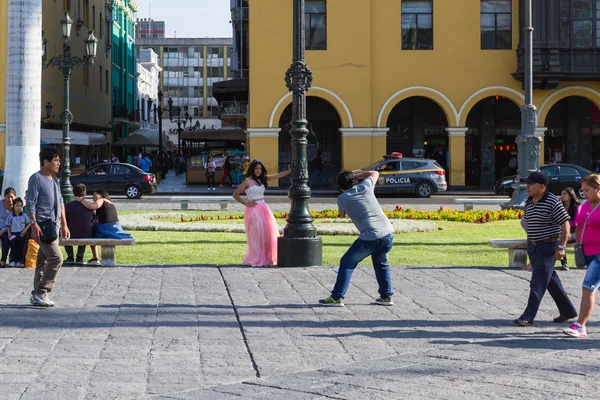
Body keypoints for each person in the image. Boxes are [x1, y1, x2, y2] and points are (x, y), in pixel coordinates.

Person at [319, 169, 395, 307]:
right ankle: (386, 296)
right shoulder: (365, 186)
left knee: (347, 262)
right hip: (387, 233)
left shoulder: (342, 198)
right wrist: (357, 175)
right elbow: (375, 173)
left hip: (370, 237)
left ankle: (337, 297)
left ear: (340, 186)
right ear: (354, 180)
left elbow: (342, 215)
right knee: (381, 264)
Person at [514, 172, 577, 326]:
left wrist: (561, 247)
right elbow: (529, 225)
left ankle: (528, 317)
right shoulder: (529, 201)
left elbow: (565, 224)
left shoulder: (552, 201)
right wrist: (529, 246)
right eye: (526, 183)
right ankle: (567, 310)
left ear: (542, 186)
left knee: (538, 281)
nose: (527, 186)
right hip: (534, 246)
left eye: (531, 183)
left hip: (549, 245)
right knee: (550, 280)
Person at [27, 147, 71, 307]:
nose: (59, 163)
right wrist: (34, 224)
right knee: (56, 258)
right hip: (43, 226)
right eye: (56, 160)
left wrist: (64, 225)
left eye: (59, 160)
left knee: (43, 261)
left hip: (54, 227)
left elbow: (61, 203)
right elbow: (30, 204)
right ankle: (42, 291)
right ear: (46, 162)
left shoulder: (55, 180)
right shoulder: (36, 179)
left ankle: (36, 295)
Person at [232, 160, 291, 267]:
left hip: (263, 208)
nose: (258, 171)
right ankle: (255, 257)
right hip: (253, 209)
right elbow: (235, 194)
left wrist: (291, 170)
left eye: (260, 169)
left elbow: (278, 175)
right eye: (256, 168)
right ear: (252, 169)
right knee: (256, 234)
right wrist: (246, 203)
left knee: (267, 232)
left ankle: (267, 258)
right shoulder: (247, 181)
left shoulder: (262, 179)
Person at [563, 174, 600, 338]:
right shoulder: (586, 204)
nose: (584, 193)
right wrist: (579, 244)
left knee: (588, 287)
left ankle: (580, 325)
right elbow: (578, 224)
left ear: (598, 188)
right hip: (587, 252)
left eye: (587, 190)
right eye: (582, 190)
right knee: (589, 287)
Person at [65, 184, 99, 265]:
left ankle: (70, 257)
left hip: (71, 234)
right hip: (86, 234)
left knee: (65, 233)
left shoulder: (68, 206)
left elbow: (64, 220)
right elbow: (94, 218)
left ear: (73, 193)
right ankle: (79, 257)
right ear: (84, 193)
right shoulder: (89, 206)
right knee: (85, 230)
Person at [559, 187, 581, 271]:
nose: (562, 196)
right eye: (561, 194)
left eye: (564, 194)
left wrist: (564, 225)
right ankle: (563, 262)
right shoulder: (560, 206)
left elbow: (576, 223)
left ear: (570, 196)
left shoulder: (576, 206)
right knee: (558, 237)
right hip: (563, 232)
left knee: (562, 238)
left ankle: (564, 263)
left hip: (575, 233)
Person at [5, 197, 31, 267]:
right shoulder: (10, 215)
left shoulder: (24, 215)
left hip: (21, 234)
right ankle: (13, 260)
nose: (19, 208)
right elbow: (8, 225)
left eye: (20, 206)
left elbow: (30, 223)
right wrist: (9, 233)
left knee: (21, 247)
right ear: (13, 206)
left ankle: (20, 261)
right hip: (13, 234)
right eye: (17, 206)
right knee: (13, 247)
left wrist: (25, 229)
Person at [0, 187, 16, 267]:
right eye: (8, 197)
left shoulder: (16, 207)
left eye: (11, 197)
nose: (10, 199)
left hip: (10, 230)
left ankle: (3, 260)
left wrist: (3, 230)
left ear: (15, 197)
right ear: (4, 197)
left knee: (8, 238)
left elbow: (14, 222)